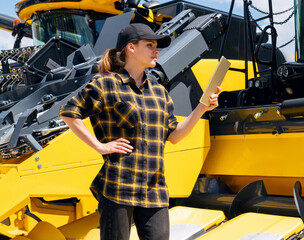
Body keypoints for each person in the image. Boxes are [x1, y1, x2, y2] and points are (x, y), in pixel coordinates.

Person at [59, 23, 220, 240]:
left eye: (156, 46)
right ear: (131, 48)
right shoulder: (106, 84)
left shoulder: (159, 92)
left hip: (154, 189)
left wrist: (202, 107)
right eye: (150, 45)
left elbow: (174, 136)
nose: (157, 50)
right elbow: (69, 112)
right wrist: (100, 146)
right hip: (118, 187)